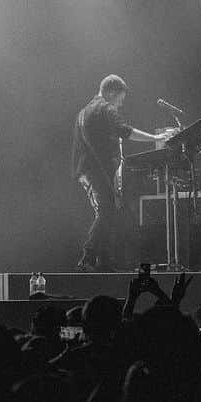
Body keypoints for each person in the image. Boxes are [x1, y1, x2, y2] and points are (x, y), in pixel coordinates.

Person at [71, 74, 139, 273]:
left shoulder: (84, 111)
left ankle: (105, 261)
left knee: (106, 213)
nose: (120, 105)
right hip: (95, 170)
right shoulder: (105, 108)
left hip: (85, 170)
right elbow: (124, 130)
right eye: (120, 99)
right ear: (111, 92)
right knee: (107, 210)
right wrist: (156, 137)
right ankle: (88, 257)